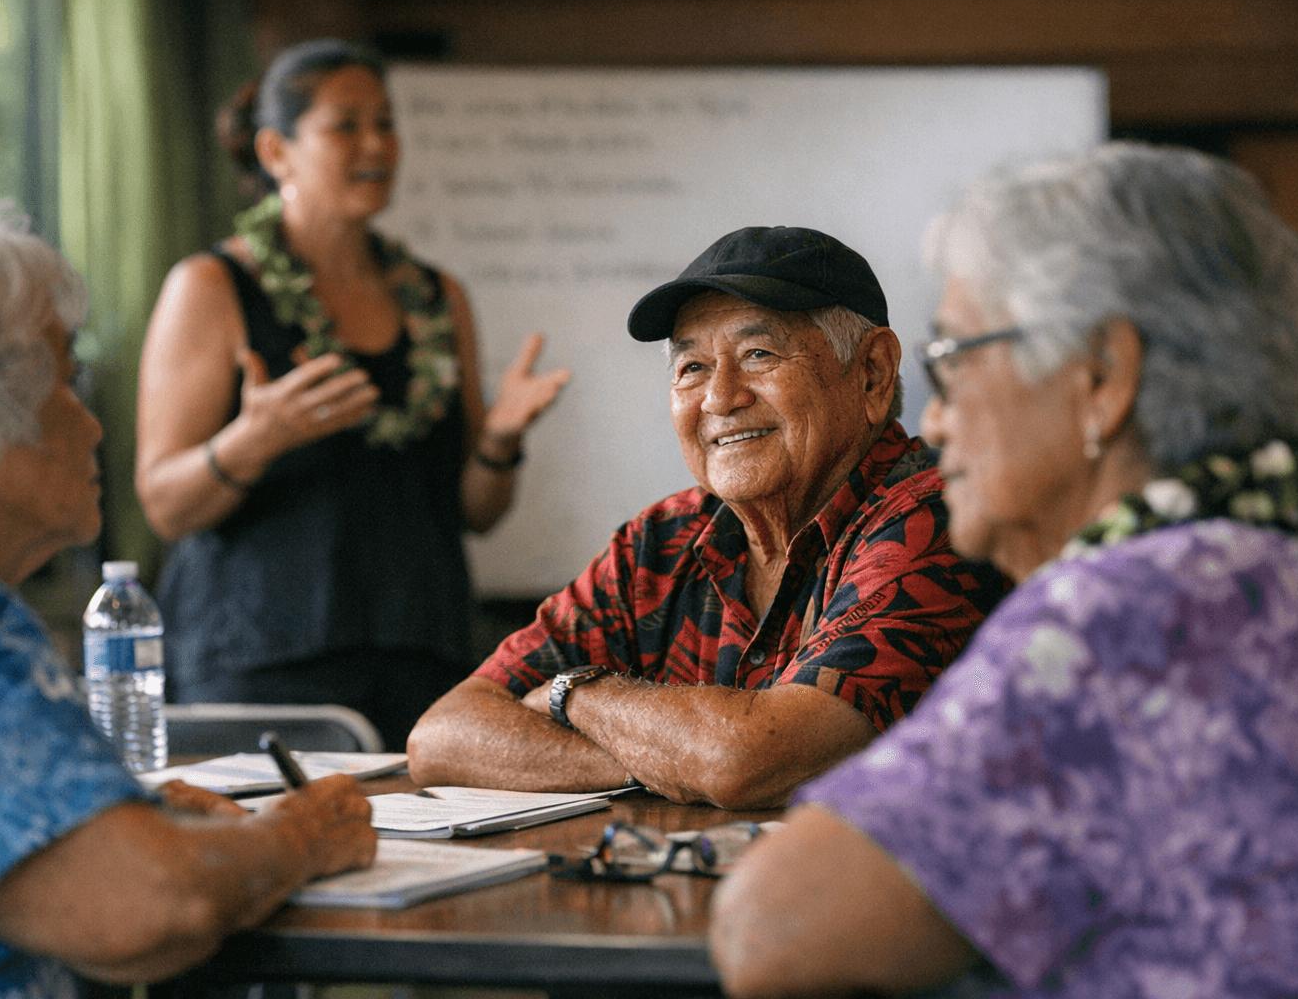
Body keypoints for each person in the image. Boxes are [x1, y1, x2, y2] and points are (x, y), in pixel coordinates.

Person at [710, 143, 1298, 997]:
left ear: (1102, 377)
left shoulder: (1132, 611)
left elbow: (777, 930)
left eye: (953, 357)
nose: (939, 418)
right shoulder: (1270, 568)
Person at [0, 198, 377, 996]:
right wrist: (302, 836)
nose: (93, 426)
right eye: (67, 378)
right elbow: (141, 911)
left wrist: (112, 815)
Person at [406, 226, 1009, 809]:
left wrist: (577, 693)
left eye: (758, 354)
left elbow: (744, 763)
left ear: (872, 373)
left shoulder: (939, 516)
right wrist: (666, 761)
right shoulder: (663, 541)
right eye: (691, 368)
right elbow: (442, 736)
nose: (719, 398)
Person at [136, 39, 568, 751]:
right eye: (347, 125)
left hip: (420, 652)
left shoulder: (437, 296)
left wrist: (499, 440)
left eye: (387, 122)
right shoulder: (211, 287)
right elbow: (164, 502)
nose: (378, 144)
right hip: (258, 661)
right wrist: (255, 439)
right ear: (277, 152)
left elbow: (475, 513)